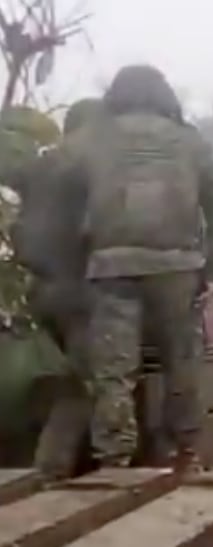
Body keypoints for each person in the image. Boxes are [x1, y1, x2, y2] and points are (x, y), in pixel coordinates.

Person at [55, 65, 213, 471]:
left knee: (115, 370)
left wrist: (72, 261)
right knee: (182, 362)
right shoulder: (190, 142)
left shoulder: (90, 140)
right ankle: (186, 453)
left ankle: (115, 461)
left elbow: (57, 194)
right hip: (179, 268)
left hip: (111, 268)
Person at [9, 98, 102, 478]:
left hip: (36, 288)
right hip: (79, 292)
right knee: (80, 385)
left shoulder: (38, 165)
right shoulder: (91, 167)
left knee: (47, 378)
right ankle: (51, 471)